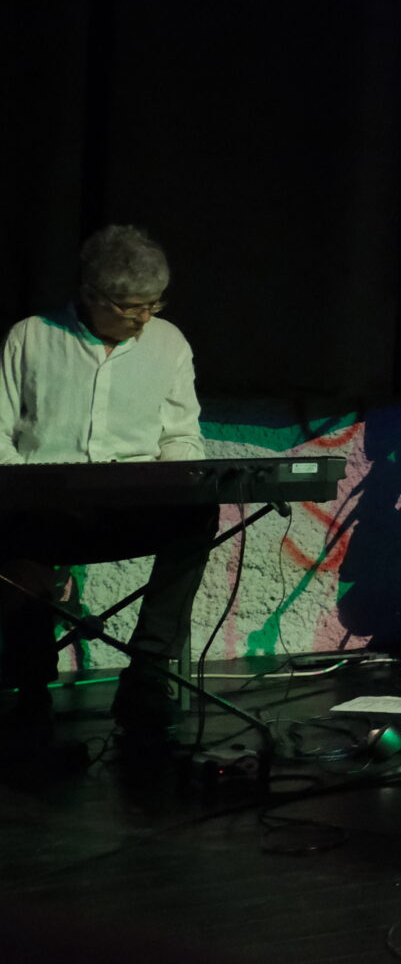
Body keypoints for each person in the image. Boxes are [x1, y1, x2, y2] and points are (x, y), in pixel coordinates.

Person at [0, 225, 211, 756]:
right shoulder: (30, 337)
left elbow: (181, 435)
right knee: (14, 534)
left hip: (131, 508)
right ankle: (30, 691)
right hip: (46, 509)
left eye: (154, 304)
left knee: (198, 514)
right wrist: (24, 491)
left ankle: (147, 672)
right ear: (92, 296)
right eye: (132, 307)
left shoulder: (169, 343)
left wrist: (179, 482)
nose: (145, 318)